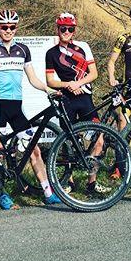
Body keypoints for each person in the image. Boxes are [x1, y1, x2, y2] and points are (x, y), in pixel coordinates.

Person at [0, 10, 60, 208]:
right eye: (4, 27)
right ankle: (0, 194)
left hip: (17, 106)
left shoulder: (23, 50)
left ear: (16, 28)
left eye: (12, 27)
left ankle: (48, 192)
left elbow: (33, 78)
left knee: (33, 149)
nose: (8, 31)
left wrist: (48, 89)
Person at [45, 12, 107, 194]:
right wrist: (69, 85)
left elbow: (94, 73)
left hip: (85, 97)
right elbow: (50, 81)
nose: (66, 32)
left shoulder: (83, 47)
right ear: (57, 29)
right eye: (62, 28)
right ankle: (69, 181)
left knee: (99, 139)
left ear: (74, 31)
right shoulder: (52, 53)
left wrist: (78, 83)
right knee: (67, 142)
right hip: (66, 100)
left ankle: (91, 183)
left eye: (70, 29)